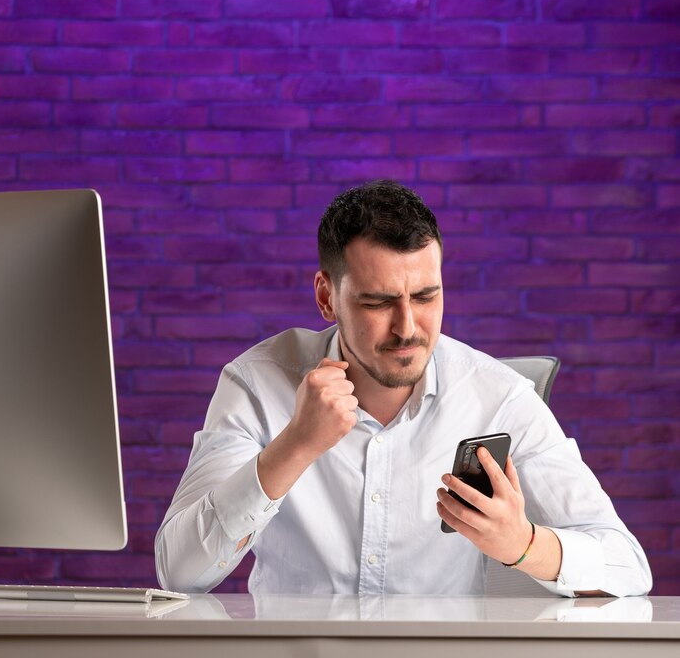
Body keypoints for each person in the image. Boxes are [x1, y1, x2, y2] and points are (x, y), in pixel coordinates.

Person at [155, 180, 652, 597]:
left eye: (426, 296)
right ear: (327, 297)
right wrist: (296, 445)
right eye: (377, 303)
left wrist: (522, 544)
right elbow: (179, 572)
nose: (408, 327)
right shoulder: (257, 382)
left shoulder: (498, 397)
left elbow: (628, 565)